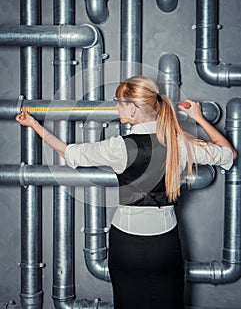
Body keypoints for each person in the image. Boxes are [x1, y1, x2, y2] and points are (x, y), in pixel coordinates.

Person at [16, 75, 237, 309]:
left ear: (132, 109)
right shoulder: (180, 144)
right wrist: (198, 118)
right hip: (164, 243)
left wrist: (34, 125)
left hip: (125, 243)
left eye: (118, 101)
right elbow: (228, 154)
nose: (115, 105)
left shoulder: (118, 146)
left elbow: (70, 153)